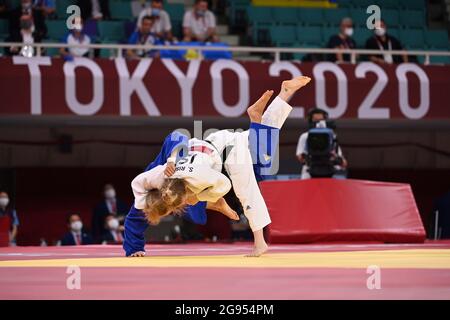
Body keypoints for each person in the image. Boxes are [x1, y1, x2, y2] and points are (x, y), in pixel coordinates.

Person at [124, 76, 312, 258]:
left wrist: (178, 165)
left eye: (172, 209)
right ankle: (284, 94)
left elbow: (225, 184)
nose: (173, 212)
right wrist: (134, 248)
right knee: (262, 149)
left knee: (252, 181)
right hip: (214, 147)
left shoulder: (190, 174)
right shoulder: (148, 184)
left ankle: (259, 241)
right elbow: (137, 214)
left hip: (225, 151)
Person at [296, 108, 348, 179]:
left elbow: (343, 163)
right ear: (311, 121)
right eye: (315, 120)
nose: (318, 122)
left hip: (328, 173)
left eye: (321, 120)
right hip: (309, 174)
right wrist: (310, 158)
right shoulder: (305, 136)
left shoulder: (332, 137)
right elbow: (300, 157)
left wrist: (335, 159)